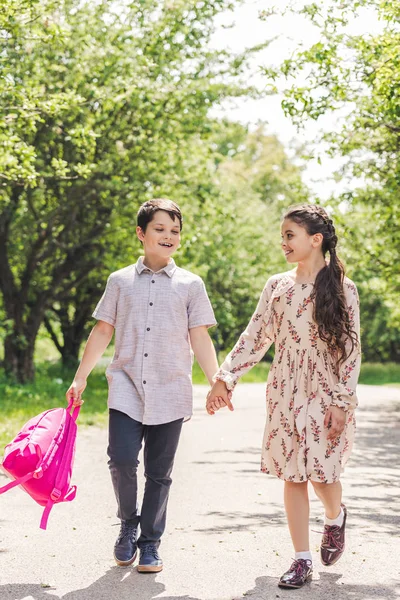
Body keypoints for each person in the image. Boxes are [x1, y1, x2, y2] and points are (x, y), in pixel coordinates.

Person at [206, 204, 361, 589]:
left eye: (290, 235)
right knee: (293, 473)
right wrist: (226, 378)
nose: (283, 243)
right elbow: (255, 335)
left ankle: (334, 515)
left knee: (323, 474)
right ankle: (301, 559)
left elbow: (351, 350)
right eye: (283, 236)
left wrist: (342, 402)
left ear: (316, 239)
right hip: (285, 389)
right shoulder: (277, 285)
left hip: (327, 392)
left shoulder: (343, 288)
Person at [66, 198, 221, 573]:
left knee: (159, 471)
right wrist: (80, 377)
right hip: (126, 385)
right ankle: (127, 523)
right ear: (141, 233)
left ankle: (150, 542)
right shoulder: (120, 281)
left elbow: (199, 337)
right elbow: (103, 329)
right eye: (160, 229)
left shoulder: (190, 284)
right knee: (120, 459)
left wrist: (217, 380)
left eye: (175, 231)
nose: (168, 236)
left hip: (171, 388)